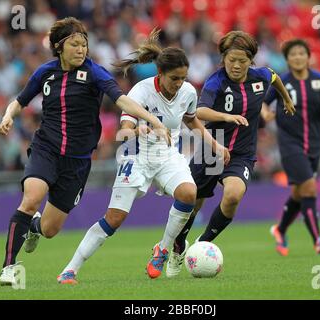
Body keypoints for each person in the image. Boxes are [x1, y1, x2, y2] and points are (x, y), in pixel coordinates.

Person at [0, 17, 170, 286]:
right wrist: (8, 116)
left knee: (50, 230)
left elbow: (122, 99)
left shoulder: (95, 73)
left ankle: (33, 228)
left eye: (84, 45)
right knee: (31, 199)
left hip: (77, 162)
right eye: (74, 44)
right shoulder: (45, 72)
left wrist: (154, 120)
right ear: (58, 46)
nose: (80, 49)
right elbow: (20, 101)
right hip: (46, 149)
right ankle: (8, 267)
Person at [57, 29, 230, 284]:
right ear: (160, 74)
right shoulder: (141, 91)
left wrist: (214, 144)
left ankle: (162, 249)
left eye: (183, 78)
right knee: (114, 219)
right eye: (175, 79)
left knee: (188, 194)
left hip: (168, 155)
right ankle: (70, 269)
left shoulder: (188, 93)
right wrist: (139, 128)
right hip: (136, 155)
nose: (179, 83)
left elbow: (191, 121)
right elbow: (124, 131)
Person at [166, 31, 296, 278]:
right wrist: (226, 117)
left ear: (251, 61)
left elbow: (276, 77)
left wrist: (286, 100)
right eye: (231, 60)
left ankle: (202, 245)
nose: (236, 65)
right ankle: (178, 247)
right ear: (223, 58)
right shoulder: (215, 82)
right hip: (211, 149)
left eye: (242, 61)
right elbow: (200, 111)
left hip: (242, 154)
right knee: (191, 206)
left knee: (234, 195)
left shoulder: (261, 77)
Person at [262, 39, 320, 256]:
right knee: (310, 188)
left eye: (301, 53)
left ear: (308, 56)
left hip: (314, 145)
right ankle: (318, 241)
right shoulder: (282, 82)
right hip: (290, 144)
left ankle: (280, 229)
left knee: (299, 192)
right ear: (286, 59)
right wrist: (266, 113)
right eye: (292, 54)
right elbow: (265, 103)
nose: (297, 57)